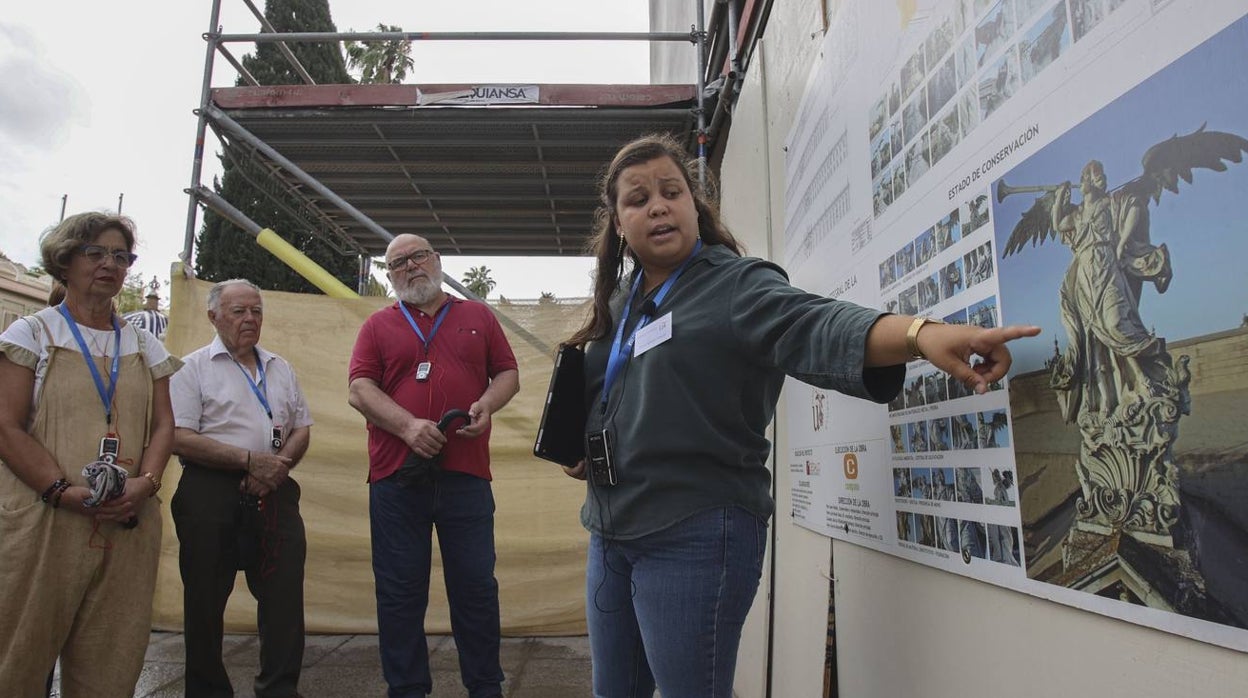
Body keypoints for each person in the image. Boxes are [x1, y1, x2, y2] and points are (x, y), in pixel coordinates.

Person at [560, 134, 1040, 697]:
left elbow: (815, 323)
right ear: (619, 223)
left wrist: (920, 335)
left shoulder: (734, 285)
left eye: (672, 191)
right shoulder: (619, 303)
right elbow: (608, 390)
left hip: (692, 532)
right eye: (637, 199)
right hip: (610, 527)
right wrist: (583, 445)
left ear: (696, 206)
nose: (658, 206)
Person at [0, 212, 180, 697]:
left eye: (121, 256)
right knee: (18, 653)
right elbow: (6, 426)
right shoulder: (31, 334)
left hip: (128, 520)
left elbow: (165, 424)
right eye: (95, 252)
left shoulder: (145, 345)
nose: (110, 264)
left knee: (112, 656)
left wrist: (146, 483)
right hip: (45, 519)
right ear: (65, 260)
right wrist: (62, 491)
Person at [348, 234, 520, 698]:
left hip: (466, 475)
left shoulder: (476, 316)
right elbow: (359, 389)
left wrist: (485, 403)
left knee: (476, 590)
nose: (410, 267)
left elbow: (508, 373)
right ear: (391, 276)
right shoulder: (377, 326)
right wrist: (407, 427)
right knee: (400, 594)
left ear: (437, 260)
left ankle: (486, 687)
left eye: (418, 256)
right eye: (397, 263)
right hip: (396, 479)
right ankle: (406, 690)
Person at [168, 279, 312, 698]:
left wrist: (276, 467)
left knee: (284, 600)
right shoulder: (190, 368)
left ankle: (279, 689)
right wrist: (249, 461)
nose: (250, 319)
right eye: (238, 311)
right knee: (205, 602)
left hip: (275, 491)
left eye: (256, 311)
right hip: (210, 492)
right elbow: (179, 436)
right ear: (213, 316)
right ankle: (207, 691)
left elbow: (302, 426)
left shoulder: (280, 367)